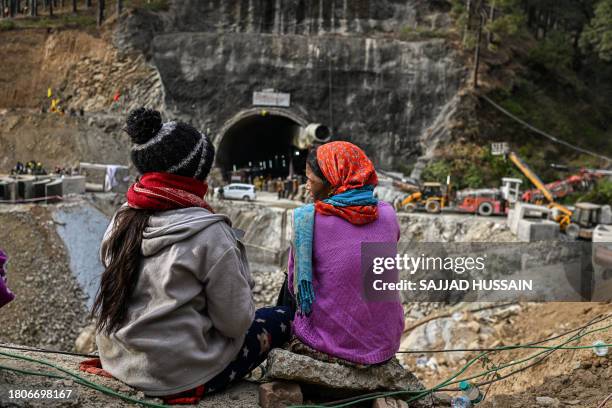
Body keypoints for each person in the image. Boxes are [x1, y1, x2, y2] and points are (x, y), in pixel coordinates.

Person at [92, 108, 291, 403]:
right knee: (281, 317)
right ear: (195, 173)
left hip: (119, 362)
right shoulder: (210, 233)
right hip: (180, 375)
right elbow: (235, 324)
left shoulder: (121, 219)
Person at [284, 141, 404, 365]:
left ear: (332, 182)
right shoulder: (388, 213)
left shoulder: (308, 219)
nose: (307, 187)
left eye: (311, 180)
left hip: (333, 345)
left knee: (289, 290)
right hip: (386, 343)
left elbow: (295, 288)